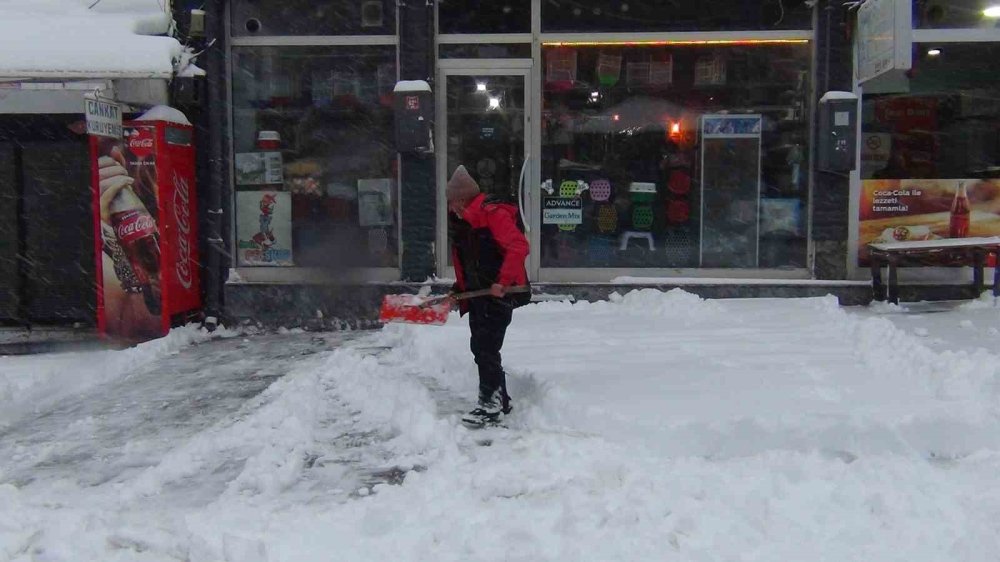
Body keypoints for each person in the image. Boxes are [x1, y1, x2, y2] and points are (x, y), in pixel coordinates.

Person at [446, 165, 531, 428]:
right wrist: (458, 290)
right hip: (480, 295)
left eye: (452, 203)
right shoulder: (464, 222)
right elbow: (468, 262)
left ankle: (490, 405)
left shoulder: (493, 215)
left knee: (486, 348)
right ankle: (499, 399)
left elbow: (519, 247)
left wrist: (502, 282)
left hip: (500, 294)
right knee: (482, 347)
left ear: (462, 199)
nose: (451, 209)